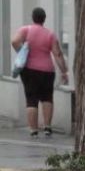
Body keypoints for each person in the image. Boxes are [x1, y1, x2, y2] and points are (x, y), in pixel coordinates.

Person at [10, 7, 69, 138]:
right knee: (47, 97)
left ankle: (33, 130)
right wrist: (64, 71)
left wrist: (22, 51)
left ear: (33, 17)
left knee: (31, 98)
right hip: (47, 71)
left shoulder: (25, 30)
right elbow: (58, 54)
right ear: (44, 19)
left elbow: (14, 41)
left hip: (29, 69)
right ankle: (47, 127)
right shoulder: (50, 34)